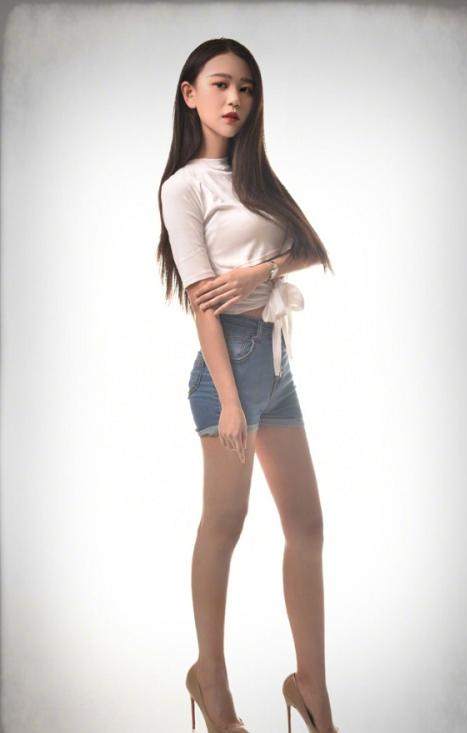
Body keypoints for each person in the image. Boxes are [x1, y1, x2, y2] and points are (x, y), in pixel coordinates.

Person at [157, 37, 339, 733]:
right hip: (227, 367)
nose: (235, 98)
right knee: (225, 525)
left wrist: (260, 273)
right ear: (190, 94)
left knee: (308, 525)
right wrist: (230, 399)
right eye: (221, 84)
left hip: (277, 364)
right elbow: (204, 303)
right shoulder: (185, 186)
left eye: (247, 88)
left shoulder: (254, 176)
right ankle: (212, 682)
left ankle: (311, 688)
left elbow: (311, 249)